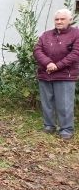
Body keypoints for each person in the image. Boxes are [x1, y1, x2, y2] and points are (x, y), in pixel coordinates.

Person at [34, 8, 79, 140]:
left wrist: (57, 66)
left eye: (62, 19)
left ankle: (66, 129)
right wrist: (48, 63)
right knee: (47, 102)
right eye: (57, 19)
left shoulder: (76, 34)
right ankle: (49, 126)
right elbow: (37, 50)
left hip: (65, 75)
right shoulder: (46, 35)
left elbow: (75, 54)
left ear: (70, 20)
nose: (59, 21)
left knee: (65, 103)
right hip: (45, 73)